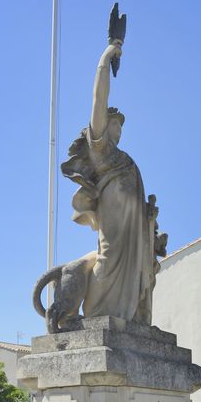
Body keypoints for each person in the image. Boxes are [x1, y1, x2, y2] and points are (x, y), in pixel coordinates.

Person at [60, 39, 155, 324]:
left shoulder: (123, 156)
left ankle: (127, 316)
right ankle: (96, 312)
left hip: (133, 223)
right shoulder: (100, 147)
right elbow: (98, 99)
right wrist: (106, 58)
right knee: (109, 258)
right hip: (113, 215)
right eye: (115, 123)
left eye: (121, 127)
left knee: (135, 266)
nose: (119, 130)